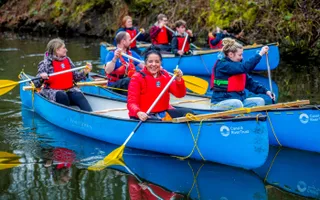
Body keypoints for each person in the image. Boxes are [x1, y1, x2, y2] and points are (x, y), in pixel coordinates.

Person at [127, 46, 193, 121]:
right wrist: (138, 112)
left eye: (157, 62)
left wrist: (179, 80)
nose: (154, 64)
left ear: (160, 63)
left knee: (189, 113)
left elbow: (180, 94)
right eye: (150, 61)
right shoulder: (137, 77)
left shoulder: (165, 75)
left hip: (162, 112)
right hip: (143, 114)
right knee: (157, 121)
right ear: (145, 63)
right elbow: (131, 103)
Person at [210, 38, 275, 110]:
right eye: (240, 55)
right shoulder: (223, 65)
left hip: (238, 101)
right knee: (237, 104)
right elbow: (245, 67)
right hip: (220, 103)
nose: (242, 57)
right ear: (231, 54)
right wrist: (260, 54)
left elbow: (250, 83)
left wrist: (266, 91)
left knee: (260, 101)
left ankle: (254, 120)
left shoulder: (237, 66)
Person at [33, 38, 92, 112]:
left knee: (78, 95)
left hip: (69, 89)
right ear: (57, 50)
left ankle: (90, 115)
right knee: (62, 96)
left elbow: (75, 77)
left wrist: (84, 72)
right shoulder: (45, 63)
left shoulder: (68, 60)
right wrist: (41, 77)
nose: (66, 50)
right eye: (64, 48)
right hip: (52, 91)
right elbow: (36, 84)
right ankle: (67, 115)